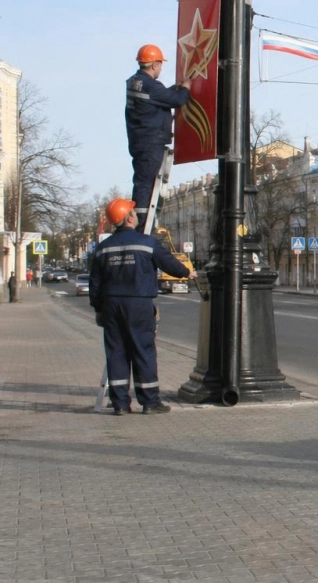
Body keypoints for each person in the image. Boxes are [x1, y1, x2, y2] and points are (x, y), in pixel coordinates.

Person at [90, 197, 197, 416]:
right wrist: (188, 272)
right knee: (143, 351)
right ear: (129, 217)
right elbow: (169, 263)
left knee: (116, 353)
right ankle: (149, 402)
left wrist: (98, 309)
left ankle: (120, 404)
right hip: (138, 303)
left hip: (111, 304)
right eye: (133, 211)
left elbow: (95, 283)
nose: (136, 214)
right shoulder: (146, 243)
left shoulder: (103, 248)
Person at [126, 44, 191, 225]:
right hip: (151, 142)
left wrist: (171, 89)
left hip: (140, 141)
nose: (161, 68)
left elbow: (156, 98)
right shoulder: (150, 85)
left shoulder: (135, 82)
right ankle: (141, 225)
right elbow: (177, 101)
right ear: (154, 65)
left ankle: (140, 221)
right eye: (161, 64)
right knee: (146, 185)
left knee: (142, 182)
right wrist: (185, 88)